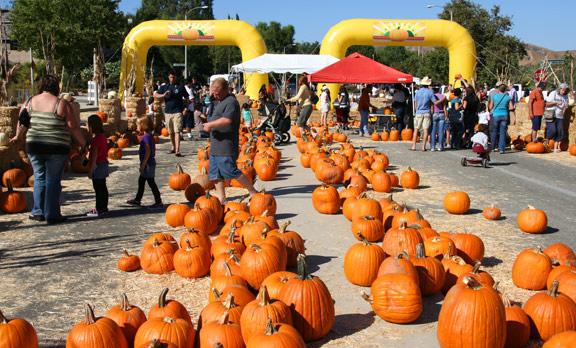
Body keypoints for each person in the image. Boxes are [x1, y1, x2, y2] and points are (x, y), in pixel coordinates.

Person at [10, 75, 87, 224]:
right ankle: (52, 214)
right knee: (53, 180)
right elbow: (73, 127)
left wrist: (17, 136)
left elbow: (22, 120)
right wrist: (83, 144)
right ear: (56, 87)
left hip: (34, 146)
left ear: (41, 86)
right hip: (56, 147)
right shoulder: (61, 103)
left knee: (39, 177)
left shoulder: (29, 102)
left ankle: (38, 212)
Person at [203, 78, 258, 204]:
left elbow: (227, 120)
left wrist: (210, 124)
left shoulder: (231, 102)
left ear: (225, 90)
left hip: (226, 145)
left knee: (230, 170)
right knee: (215, 174)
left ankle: (252, 191)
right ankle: (222, 199)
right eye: (213, 93)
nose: (214, 95)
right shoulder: (221, 101)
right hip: (216, 145)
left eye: (216, 93)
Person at [126, 116, 163, 209]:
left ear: (143, 126)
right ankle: (137, 199)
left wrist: (143, 165)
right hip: (149, 163)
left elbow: (148, 152)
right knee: (141, 181)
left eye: (137, 125)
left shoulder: (145, 137)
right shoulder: (150, 136)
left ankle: (158, 201)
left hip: (147, 164)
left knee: (151, 183)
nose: (136, 127)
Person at [154, 71, 189, 157]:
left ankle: (177, 149)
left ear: (176, 77)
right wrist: (163, 95)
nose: (172, 79)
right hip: (168, 111)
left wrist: (186, 108)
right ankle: (173, 147)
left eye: (173, 77)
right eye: (170, 77)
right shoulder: (165, 87)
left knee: (177, 130)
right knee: (171, 131)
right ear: (168, 77)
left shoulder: (180, 87)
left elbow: (187, 98)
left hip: (178, 111)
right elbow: (155, 95)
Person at [86, 115, 109, 217]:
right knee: (103, 187)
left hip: (98, 165)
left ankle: (99, 208)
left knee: (98, 188)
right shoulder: (103, 137)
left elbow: (94, 156)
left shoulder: (95, 141)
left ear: (91, 127)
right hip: (104, 163)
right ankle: (104, 206)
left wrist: (90, 170)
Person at [411, 76, 436, 151]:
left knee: (416, 129)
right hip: (427, 112)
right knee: (426, 129)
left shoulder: (418, 92)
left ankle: (414, 146)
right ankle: (423, 146)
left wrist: (416, 110)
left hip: (419, 111)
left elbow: (415, 103)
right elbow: (433, 102)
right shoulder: (430, 92)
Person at [488, 83, 513, 154]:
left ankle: (492, 147)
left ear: (498, 89)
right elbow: (511, 107)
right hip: (505, 114)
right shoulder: (508, 97)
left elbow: (490, 107)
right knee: (502, 132)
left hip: (496, 114)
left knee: (495, 131)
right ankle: (502, 148)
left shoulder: (494, 96)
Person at [545, 83, 570, 153]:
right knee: (552, 130)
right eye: (563, 90)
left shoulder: (565, 96)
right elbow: (547, 103)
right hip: (550, 114)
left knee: (560, 131)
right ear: (560, 89)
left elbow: (566, 105)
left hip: (560, 116)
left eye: (565, 90)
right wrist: (556, 102)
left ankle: (555, 147)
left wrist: (566, 105)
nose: (564, 92)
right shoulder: (553, 93)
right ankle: (546, 144)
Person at [430, 85, 447, 151]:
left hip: (435, 113)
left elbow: (432, 107)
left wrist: (431, 115)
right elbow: (444, 107)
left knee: (433, 131)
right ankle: (440, 146)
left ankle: (433, 146)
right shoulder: (442, 96)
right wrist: (446, 115)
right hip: (442, 113)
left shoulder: (432, 97)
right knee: (441, 131)